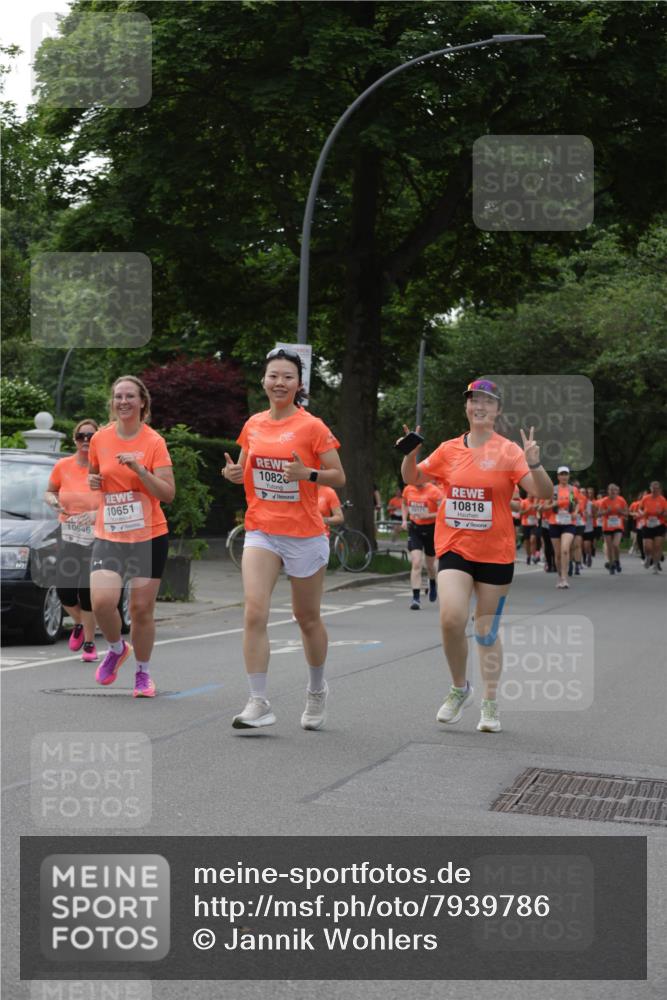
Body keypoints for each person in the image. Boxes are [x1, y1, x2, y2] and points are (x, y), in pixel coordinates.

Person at [400, 378, 552, 734]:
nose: (479, 405)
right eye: (474, 400)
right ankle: (459, 688)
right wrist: (410, 452)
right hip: (454, 545)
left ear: (498, 410)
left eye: (487, 401)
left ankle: (490, 701)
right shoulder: (449, 449)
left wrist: (535, 463)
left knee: (486, 631)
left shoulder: (509, 452)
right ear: (466, 407)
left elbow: (540, 493)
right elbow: (413, 478)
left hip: (495, 553)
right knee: (451, 618)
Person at [222, 347, 345, 731]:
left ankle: (316, 689)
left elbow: (338, 476)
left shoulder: (313, 426)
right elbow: (245, 469)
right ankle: (258, 702)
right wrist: (235, 475)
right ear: (264, 381)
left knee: (306, 618)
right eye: (273, 375)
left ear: (298, 384)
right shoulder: (254, 424)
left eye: (287, 377)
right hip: (262, 530)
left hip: (305, 535)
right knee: (254, 611)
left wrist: (307, 473)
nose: (280, 382)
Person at [88, 375, 175, 697]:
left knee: (140, 610)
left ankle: (142, 673)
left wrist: (140, 471)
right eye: (118, 397)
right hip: (110, 534)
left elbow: (168, 493)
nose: (123, 402)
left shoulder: (153, 442)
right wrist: (94, 482)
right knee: (101, 602)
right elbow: (95, 474)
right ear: (113, 403)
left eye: (129, 397)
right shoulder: (100, 439)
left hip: (149, 536)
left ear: (142, 403)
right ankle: (115, 648)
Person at [44, 419, 101, 661]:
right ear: (75, 439)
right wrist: (54, 502)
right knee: (65, 590)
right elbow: (50, 491)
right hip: (68, 535)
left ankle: (89, 644)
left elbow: (115, 502)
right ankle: (80, 624)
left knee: (87, 591)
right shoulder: (63, 466)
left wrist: (96, 514)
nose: (86, 440)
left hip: (96, 537)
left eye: (91, 436)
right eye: (81, 436)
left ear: (98, 440)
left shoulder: (104, 469)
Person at [400, 478, 442, 609]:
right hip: (415, 529)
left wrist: (428, 515)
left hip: (431, 529)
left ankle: (433, 582)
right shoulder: (408, 489)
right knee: (416, 562)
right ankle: (416, 599)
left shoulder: (434, 491)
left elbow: (443, 512)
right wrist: (404, 520)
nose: (416, 484)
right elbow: (404, 504)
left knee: (430, 566)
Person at [544, 466, 579, 589]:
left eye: (566, 474)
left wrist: (575, 512)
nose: (564, 476)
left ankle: (564, 578)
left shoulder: (572, 490)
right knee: (558, 554)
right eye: (562, 474)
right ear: (558, 476)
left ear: (568, 476)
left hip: (569, 523)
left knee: (565, 549)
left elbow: (576, 503)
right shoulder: (552, 490)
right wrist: (553, 504)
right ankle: (559, 576)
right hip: (555, 523)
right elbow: (545, 506)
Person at [597, 483, 628, 575]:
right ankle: (611, 565)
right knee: (609, 547)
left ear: (617, 491)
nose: (613, 492)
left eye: (614, 490)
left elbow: (627, 513)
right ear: (608, 491)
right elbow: (599, 514)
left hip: (618, 526)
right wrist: (607, 511)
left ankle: (617, 561)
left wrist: (620, 512)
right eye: (611, 490)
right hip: (607, 526)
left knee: (615, 545)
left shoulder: (621, 500)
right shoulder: (604, 501)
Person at [638, 481, 667, 573]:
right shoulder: (645, 498)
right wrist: (642, 513)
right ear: (650, 488)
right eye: (653, 488)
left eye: (657, 488)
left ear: (659, 489)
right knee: (648, 547)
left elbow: (666, 512)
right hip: (647, 525)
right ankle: (648, 558)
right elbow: (639, 508)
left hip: (659, 525)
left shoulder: (663, 500)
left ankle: (655, 565)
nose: (654, 490)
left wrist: (661, 513)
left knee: (658, 546)